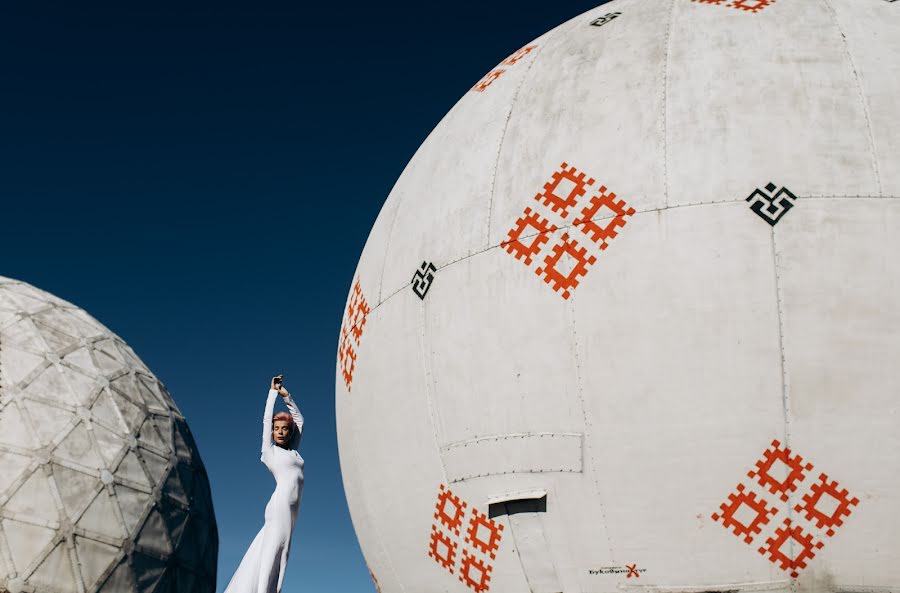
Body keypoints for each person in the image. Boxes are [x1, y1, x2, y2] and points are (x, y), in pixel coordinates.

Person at [224, 375, 305, 593]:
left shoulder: (293, 451)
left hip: (292, 513)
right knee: (270, 555)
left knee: (282, 556)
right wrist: (272, 393)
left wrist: (286, 396)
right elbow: (266, 421)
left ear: (289, 433)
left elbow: (300, 421)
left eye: (284, 429)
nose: (280, 431)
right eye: (276, 428)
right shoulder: (270, 452)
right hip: (279, 508)